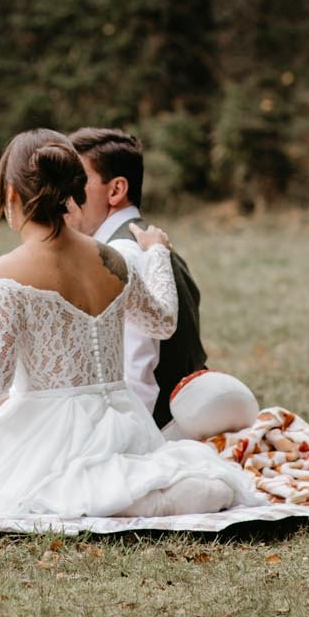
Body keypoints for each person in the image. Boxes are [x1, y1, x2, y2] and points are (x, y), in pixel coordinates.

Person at [0, 128, 257, 519]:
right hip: (124, 423)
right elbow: (162, 322)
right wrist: (158, 253)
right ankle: (149, 495)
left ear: (11, 194)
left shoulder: (6, 272)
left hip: (47, 431)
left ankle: (122, 496)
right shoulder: (113, 259)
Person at [66, 126, 206, 430]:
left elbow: (137, 376)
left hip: (154, 428)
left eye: (76, 181)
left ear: (115, 190)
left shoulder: (122, 254)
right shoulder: (138, 242)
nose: (64, 193)